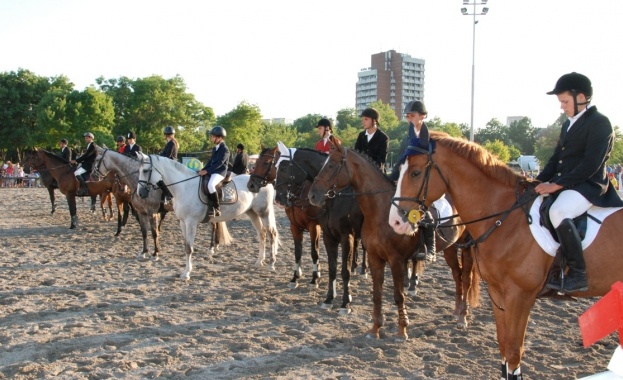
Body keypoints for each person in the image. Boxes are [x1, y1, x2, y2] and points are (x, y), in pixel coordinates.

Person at [536, 72, 623, 293]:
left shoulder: (600, 123)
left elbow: (591, 164)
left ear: (581, 97)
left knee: (559, 211)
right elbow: (556, 159)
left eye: (565, 101)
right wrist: (537, 181)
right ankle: (553, 269)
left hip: (589, 185)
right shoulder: (568, 125)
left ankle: (577, 274)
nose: (562, 107)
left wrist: (556, 185)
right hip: (568, 183)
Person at [394, 100, 438, 262]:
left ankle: (431, 248)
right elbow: (400, 161)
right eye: (407, 116)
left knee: (425, 213)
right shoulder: (407, 139)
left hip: (426, 182)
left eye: (412, 115)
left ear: (422, 116)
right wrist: (392, 178)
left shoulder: (431, 139)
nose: (409, 119)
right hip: (408, 180)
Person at [198, 126, 230, 216]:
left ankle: (216, 207)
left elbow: (219, 163)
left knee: (211, 185)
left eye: (212, 136)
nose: (211, 138)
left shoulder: (225, 149)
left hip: (220, 172)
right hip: (213, 171)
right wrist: (203, 169)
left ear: (219, 137)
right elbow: (210, 161)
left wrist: (207, 171)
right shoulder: (215, 148)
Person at [159, 126, 179, 205]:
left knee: (161, 180)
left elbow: (167, 155)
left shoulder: (172, 143)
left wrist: (159, 157)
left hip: (170, 164)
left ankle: (169, 195)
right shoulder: (169, 143)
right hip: (169, 163)